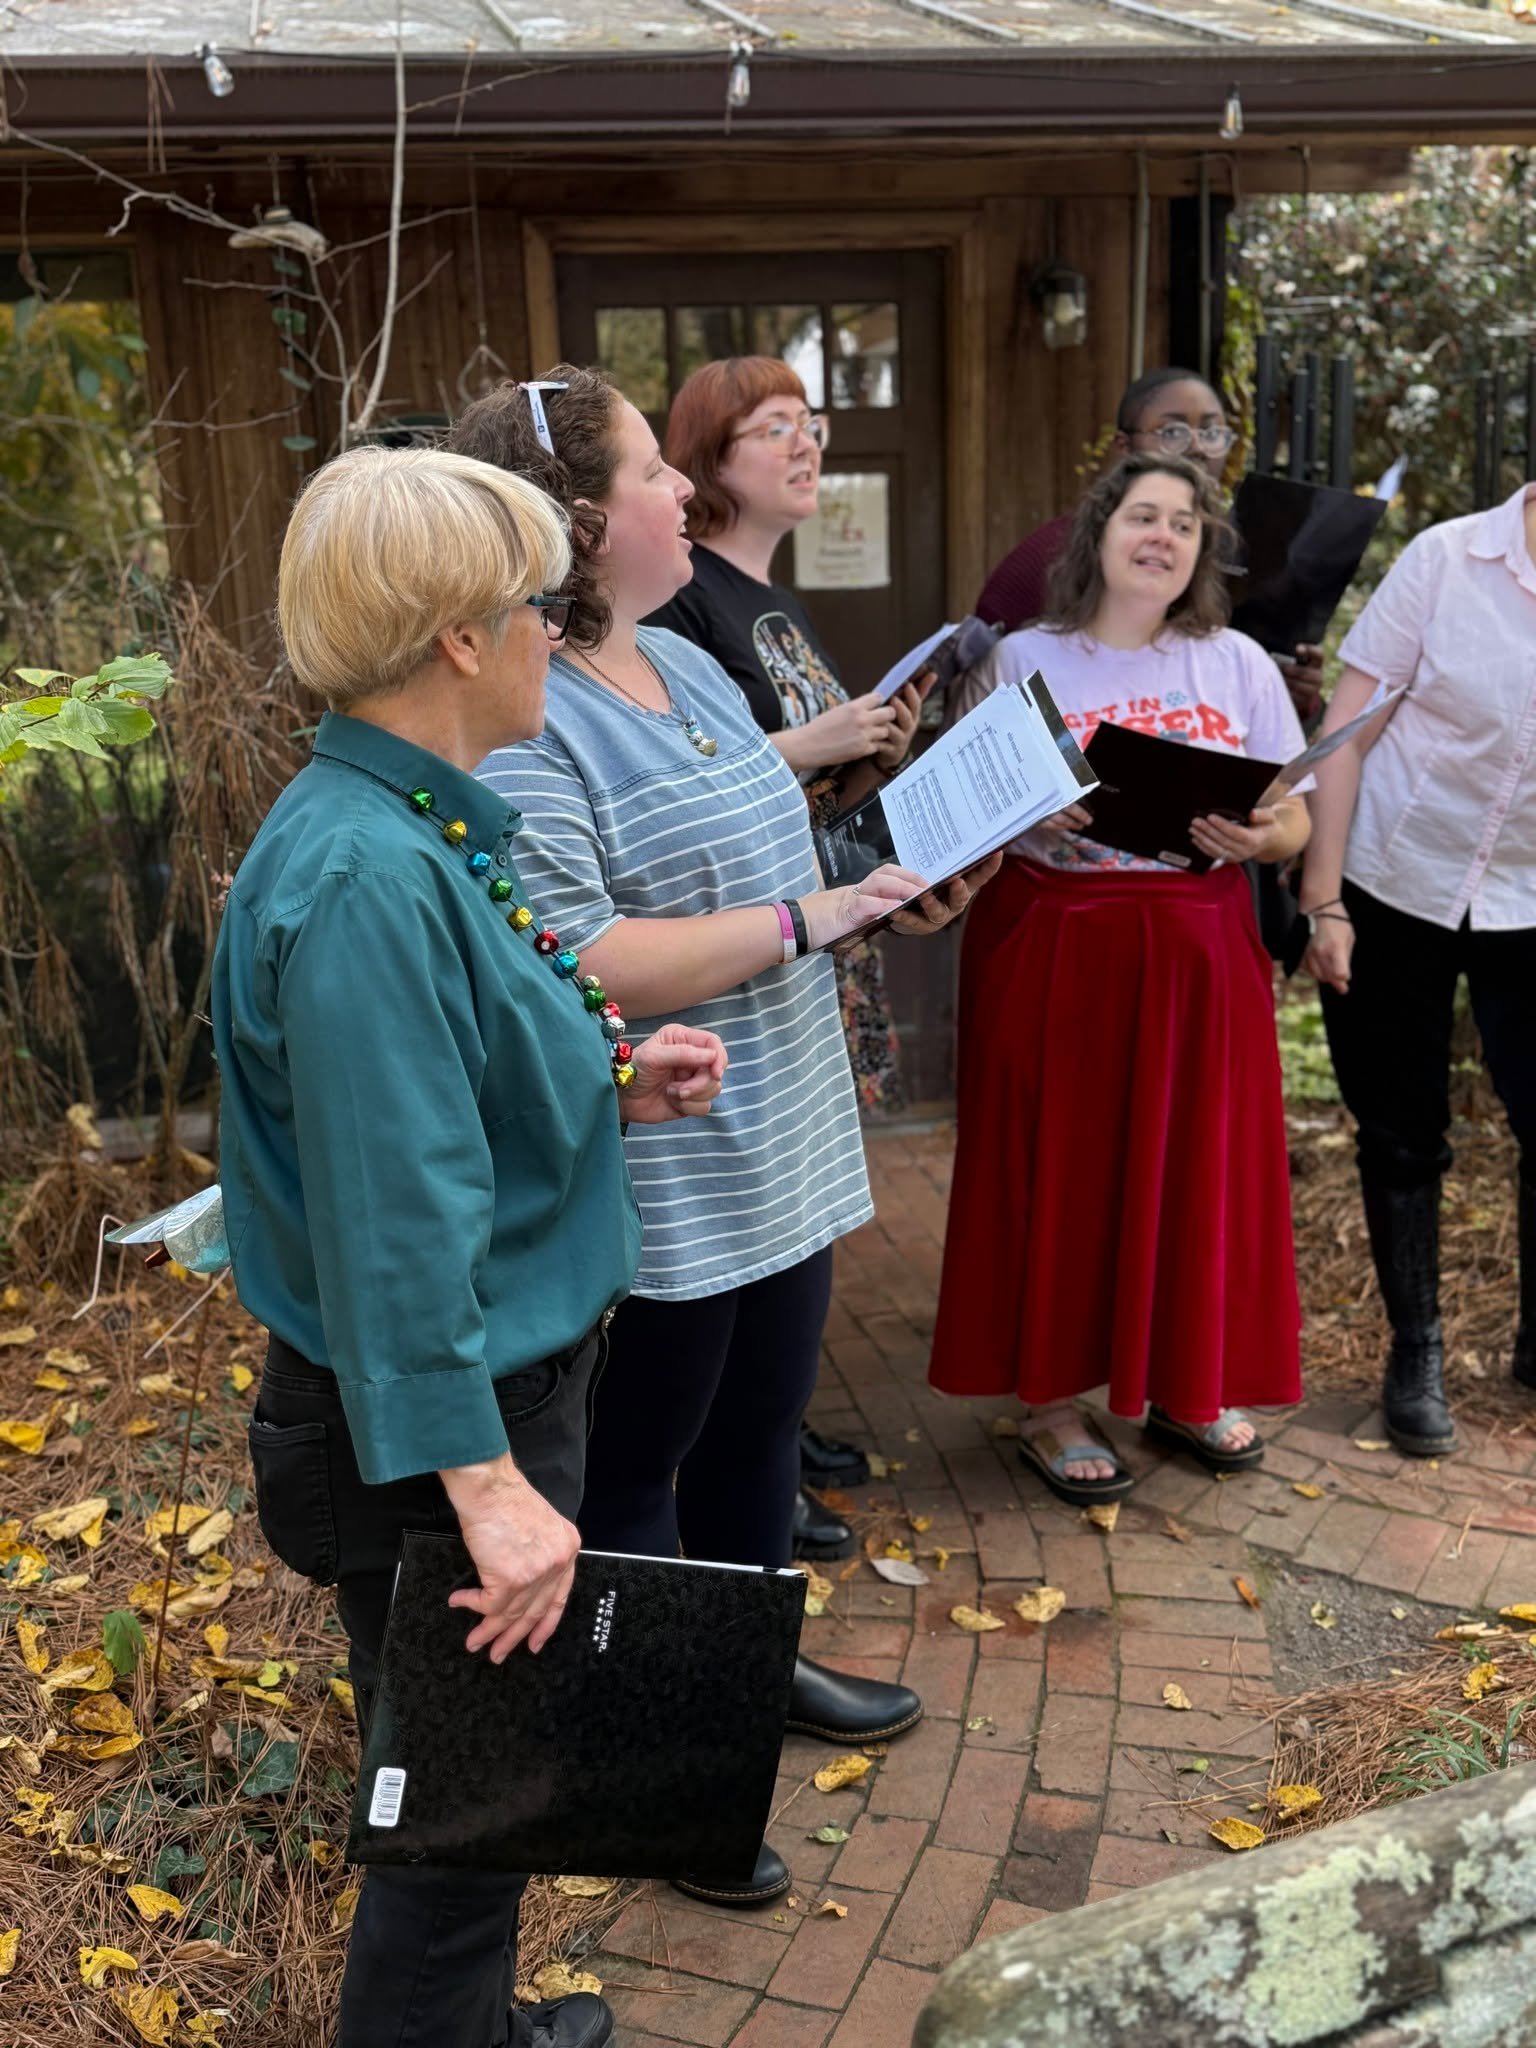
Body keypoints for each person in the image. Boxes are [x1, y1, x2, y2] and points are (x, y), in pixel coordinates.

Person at [446, 369, 992, 1908]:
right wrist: (812, 914)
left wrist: (890, 883)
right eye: (650, 475)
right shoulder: (523, 713)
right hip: (664, 1158)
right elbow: (586, 954)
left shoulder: (681, 669)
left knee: (762, 1436)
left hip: (784, 1131)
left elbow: (779, 853)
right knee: (641, 1474)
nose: (683, 494)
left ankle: (750, 1673)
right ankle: (669, 1773)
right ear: (572, 523)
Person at [213, 445, 728, 2048]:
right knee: (460, 1818)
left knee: (481, 1791)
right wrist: (487, 1486)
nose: (554, 637)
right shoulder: (367, 877)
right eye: (534, 606)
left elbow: (436, 1098)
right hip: (445, 1430)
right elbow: (391, 1216)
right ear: (453, 637)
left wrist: (604, 1080)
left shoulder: (411, 821)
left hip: (478, 1402)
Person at [929, 453, 1310, 1501]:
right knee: (1057, 1167)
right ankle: (1049, 1401)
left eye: (1185, 524)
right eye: (1143, 515)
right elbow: (960, 809)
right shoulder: (1024, 659)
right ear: (1096, 532)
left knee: (1198, 1166)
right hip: (1058, 945)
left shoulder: (1236, 662)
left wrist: (1260, 830)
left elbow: (1297, 818)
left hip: (1199, 951)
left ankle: (1189, 1384)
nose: (1163, 536)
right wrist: (1024, 805)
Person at [652, 353, 924, 1520]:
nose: (807, 444)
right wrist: (821, 745)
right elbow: (683, 786)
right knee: (756, 1205)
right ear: (708, 458)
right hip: (749, 946)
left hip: (818, 921)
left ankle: (775, 1437)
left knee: (800, 1215)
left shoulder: (768, 596)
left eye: (812, 423)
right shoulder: (682, 601)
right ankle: (742, 1462)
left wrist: (876, 750)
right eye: (775, 427)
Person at [1300, 479, 1536, 1457]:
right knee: (1402, 1128)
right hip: (1398, 872)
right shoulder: (1446, 561)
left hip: (1531, 894)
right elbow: (1345, 738)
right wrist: (1325, 900)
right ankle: (1417, 1348)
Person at [976, 365, 1324, 723]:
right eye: (1172, 432)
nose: (1197, 447)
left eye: (1212, 431)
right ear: (1124, 447)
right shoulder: (1050, 554)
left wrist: (1293, 690)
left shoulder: (1240, 569)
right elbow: (982, 662)